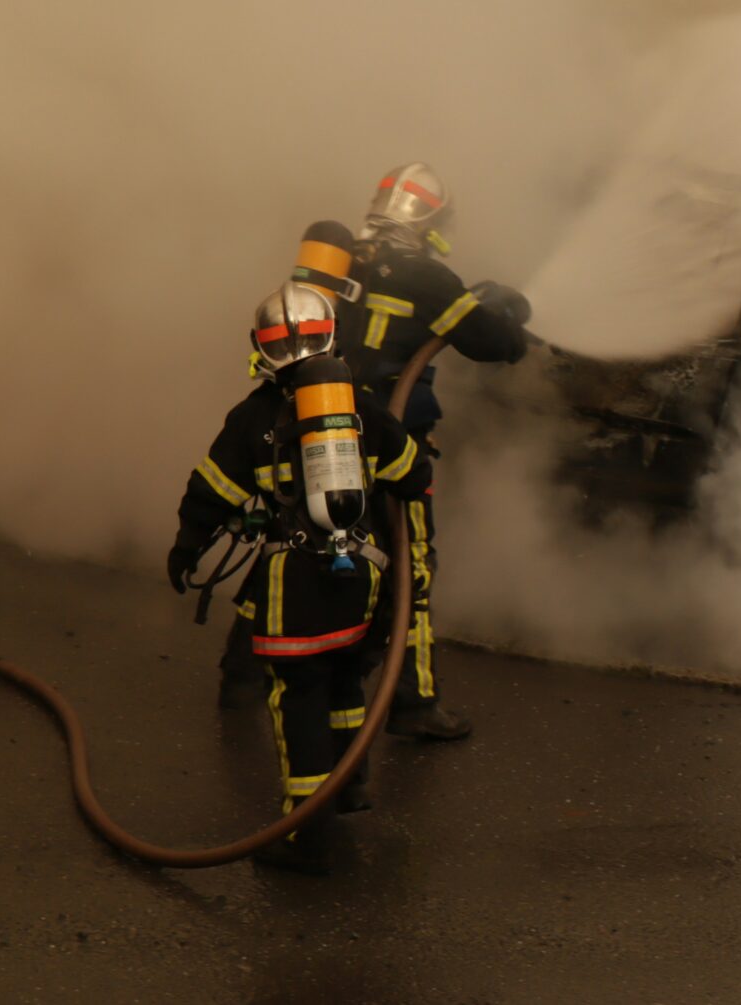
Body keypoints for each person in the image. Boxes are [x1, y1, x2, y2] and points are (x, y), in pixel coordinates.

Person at [167, 281, 428, 869]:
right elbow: (412, 475)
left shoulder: (252, 418)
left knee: (298, 696)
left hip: (296, 587)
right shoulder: (360, 406)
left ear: (262, 351)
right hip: (364, 579)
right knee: (344, 684)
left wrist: (186, 548)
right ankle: (350, 787)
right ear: (331, 336)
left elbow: (210, 493)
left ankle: (309, 834)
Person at [336, 162, 532, 742]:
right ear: (431, 219)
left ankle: (241, 676)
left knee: (292, 542)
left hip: (320, 432)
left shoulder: (340, 260)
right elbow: (493, 344)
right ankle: (413, 702)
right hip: (391, 446)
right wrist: (508, 316)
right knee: (410, 567)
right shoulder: (428, 277)